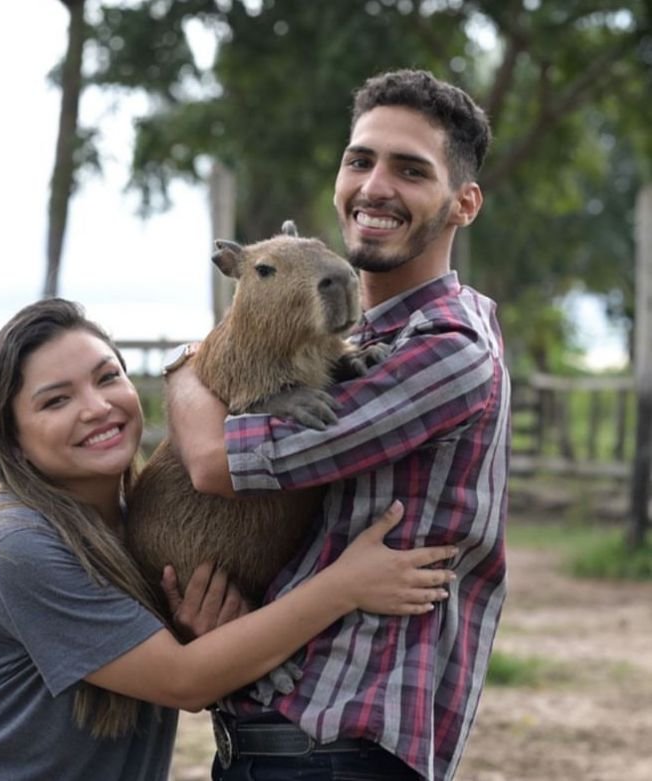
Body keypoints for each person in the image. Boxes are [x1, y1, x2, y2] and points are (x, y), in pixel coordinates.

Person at [0, 297, 459, 781]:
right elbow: (182, 680)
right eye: (56, 400)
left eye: (108, 377)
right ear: (12, 440)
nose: (97, 407)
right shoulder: (13, 546)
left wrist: (195, 638)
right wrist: (345, 585)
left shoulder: (142, 526)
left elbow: (179, 671)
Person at [165, 69, 510, 781]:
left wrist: (180, 370)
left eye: (411, 170)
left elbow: (213, 460)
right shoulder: (367, 336)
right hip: (275, 733)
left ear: (463, 203)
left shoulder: (447, 351)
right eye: (361, 160)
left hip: (337, 744)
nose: (376, 186)